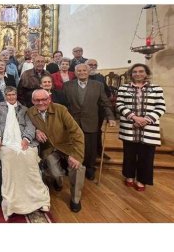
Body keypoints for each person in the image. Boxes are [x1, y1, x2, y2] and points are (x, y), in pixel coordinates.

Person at [0, 87, 50, 220]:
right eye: (8, 95)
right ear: (5, 96)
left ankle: (40, 198)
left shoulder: (24, 109)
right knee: (10, 161)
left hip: (22, 141)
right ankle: (11, 202)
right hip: (6, 142)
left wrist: (26, 138)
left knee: (30, 160)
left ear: (16, 95)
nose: (11, 97)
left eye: (13, 95)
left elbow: (30, 125)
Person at [28, 89, 85, 213]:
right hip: (49, 149)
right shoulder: (30, 112)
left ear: (49, 99)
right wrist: (36, 131)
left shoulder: (60, 109)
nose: (41, 102)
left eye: (44, 99)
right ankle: (58, 181)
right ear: (33, 101)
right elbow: (26, 128)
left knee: (78, 167)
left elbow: (77, 132)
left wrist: (76, 155)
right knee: (55, 173)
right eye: (37, 100)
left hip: (66, 146)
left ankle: (75, 199)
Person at [116, 63, 166, 191]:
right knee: (129, 154)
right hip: (129, 126)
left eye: (141, 71)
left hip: (149, 128)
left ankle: (142, 180)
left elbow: (161, 107)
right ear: (131, 74)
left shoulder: (156, 88)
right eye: (135, 72)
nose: (138, 74)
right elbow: (120, 105)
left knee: (147, 156)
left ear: (146, 73)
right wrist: (134, 117)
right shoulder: (123, 88)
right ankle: (129, 176)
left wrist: (146, 120)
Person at [63, 63, 116, 181]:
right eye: (79, 71)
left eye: (84, 70)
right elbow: (64, 104)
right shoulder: (67, 85)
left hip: (91, 121)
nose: (82, 72)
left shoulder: (98, 85)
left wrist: (110, 117)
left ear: (88, 72)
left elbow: (105, 102)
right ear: (75, 73)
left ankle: (90, 169)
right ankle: (73, 167)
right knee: (73, 146)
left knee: (90, 148)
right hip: (73, 121)